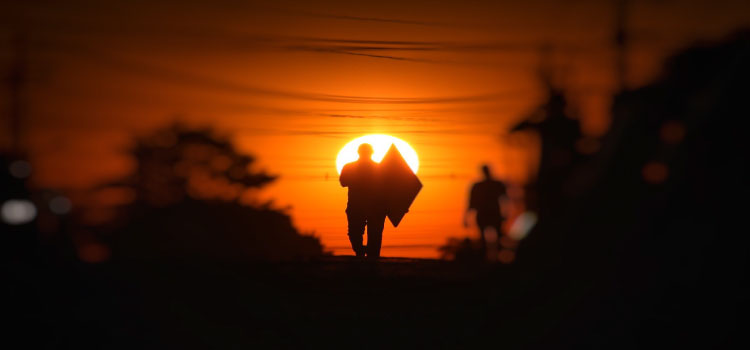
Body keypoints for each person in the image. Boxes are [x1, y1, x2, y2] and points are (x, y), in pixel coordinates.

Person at [339, 143, 387, 259]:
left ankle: (371, 259)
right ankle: (362, 252)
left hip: (373, 207)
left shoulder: (380, 168)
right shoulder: (350, 167)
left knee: (373, 235)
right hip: (358, 206)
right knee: (355, 233)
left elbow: (388, 188)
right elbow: (343, 182)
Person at [464, 164, 507, 254]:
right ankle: (493, 258)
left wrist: (466, 217)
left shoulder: (479, 186)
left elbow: (506, 200)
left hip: (490, 213)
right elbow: (471, 202)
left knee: (494, 238)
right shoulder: (496, 184)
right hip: (490, 213)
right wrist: (466, 218)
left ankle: (495, 258)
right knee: (492, 238)